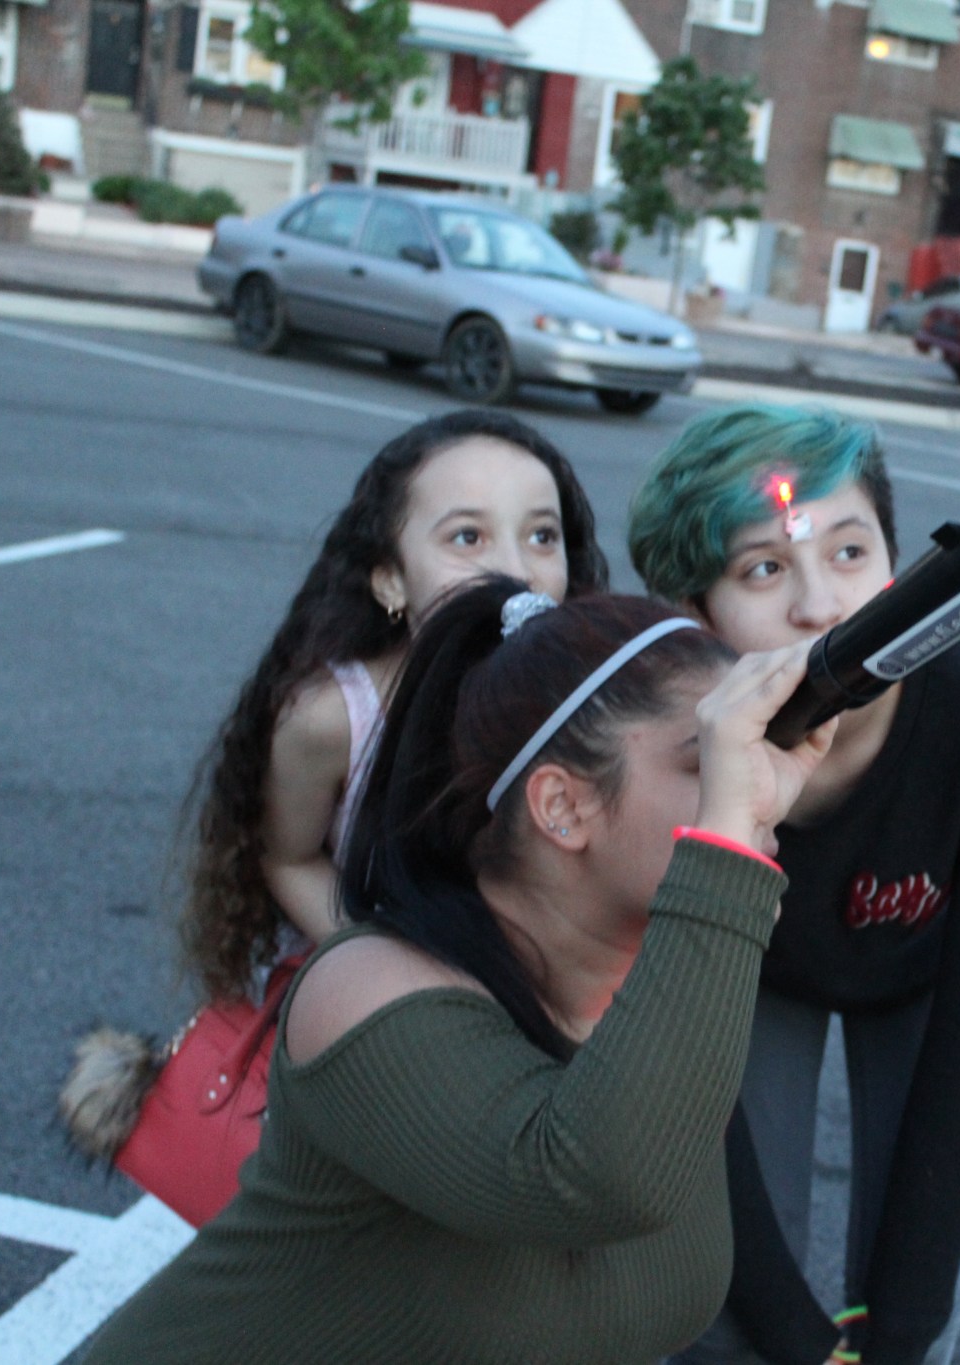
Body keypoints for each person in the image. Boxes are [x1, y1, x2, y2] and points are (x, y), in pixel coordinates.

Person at [81, 583, 838, 1364]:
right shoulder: (368, 992)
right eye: (706, 758)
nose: (751, 792)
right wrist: (720, 867)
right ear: (562, 807)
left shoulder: (653, 991)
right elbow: (595, 1180)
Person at [628, 404, 960, 1365]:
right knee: (717, 1302)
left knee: (919, 1294)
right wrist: (799, 1340)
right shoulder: (660, 754)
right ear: (692, 617)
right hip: (747, 969)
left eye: (852, 551)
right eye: (763, 569)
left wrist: (896, 1332)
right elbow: (694, 1125)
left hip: (921, 978)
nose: (822, 606)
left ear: (899, 562)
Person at [61, 409, 606, 1180]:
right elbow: (286, 857)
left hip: (530, 1041)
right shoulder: (332, 718)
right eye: (467, 538)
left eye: (542, 536)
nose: (515, 570)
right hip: (372, 1037)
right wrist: (394, 968)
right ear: (389, 577)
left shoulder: (587, 705)